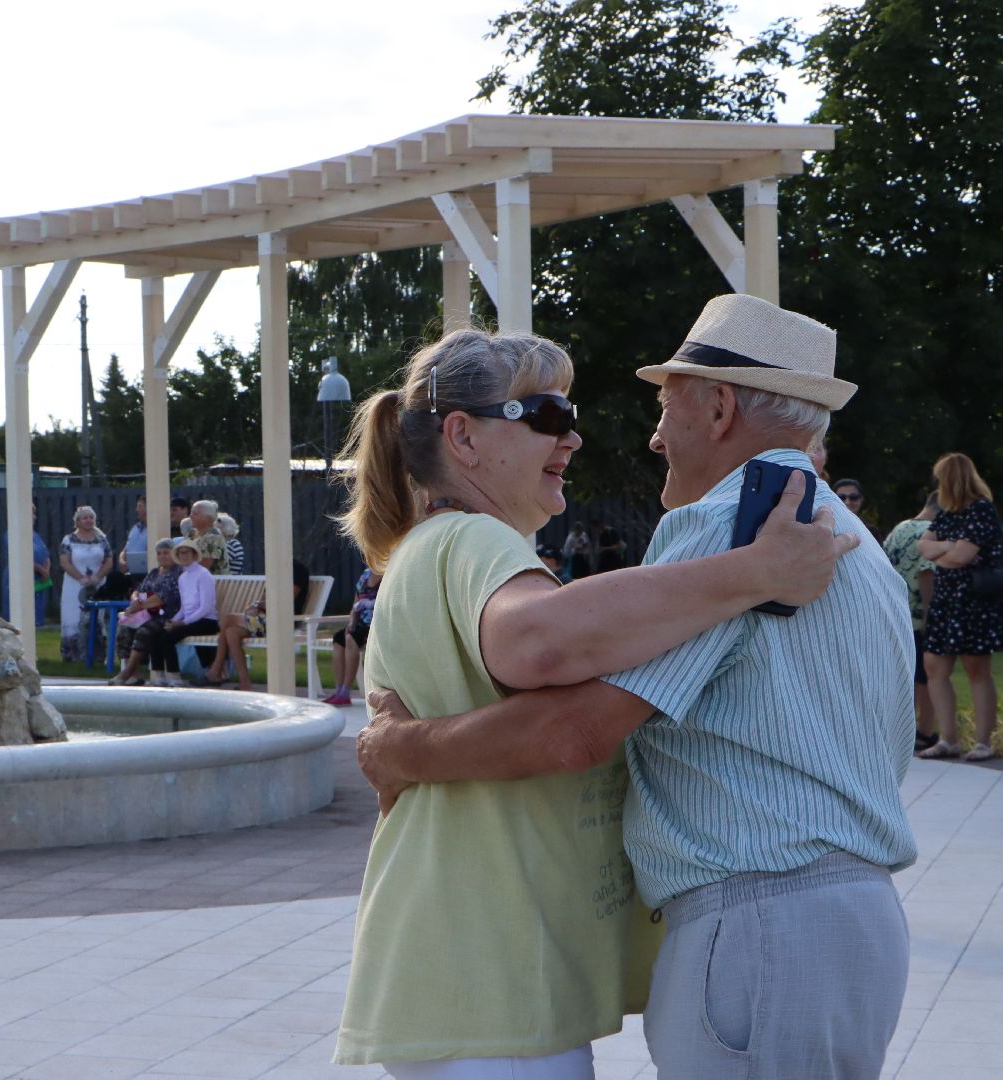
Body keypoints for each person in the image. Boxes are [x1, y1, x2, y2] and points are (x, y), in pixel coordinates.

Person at [352, 297, 914, 1080]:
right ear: (463, 437)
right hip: (851, 921)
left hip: (758, 924)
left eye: (664, 406)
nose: (647, 436)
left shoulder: (745, 529)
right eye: (551, 413)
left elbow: (570, 721)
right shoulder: (844, 542)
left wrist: (401, 749)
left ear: (719, 408)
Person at [917, 452, 1002, 762]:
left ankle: (982, 742)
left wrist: (944, 551)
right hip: (946, 601)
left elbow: (961, 558)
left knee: (976, 668)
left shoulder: (981, 510)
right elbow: (923, 546)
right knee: (934, 666)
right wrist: (949, 548)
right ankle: (949, 739)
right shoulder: (949, 514)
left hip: (974, 602)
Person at [884, 490, 941, 753]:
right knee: (926, 676)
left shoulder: (900, 528)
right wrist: (930, 611)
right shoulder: (930, 531)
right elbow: (926, 572)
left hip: (895, 610)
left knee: (903, 675)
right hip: (918, 614)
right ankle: (925, 731)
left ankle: (900, 731)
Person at [204, 558, 309, 692]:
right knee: (231, 632)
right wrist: (256, 607)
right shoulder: (276, 573)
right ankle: (244, 682)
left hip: (280, 622)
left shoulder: (297, 571)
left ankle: (216, 669)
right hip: (262, 619)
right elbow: (266, 599)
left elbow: (285, 600)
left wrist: (261, 605)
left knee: (228, 619)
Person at [143, 538, 219, 686]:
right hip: (189, 621)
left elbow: (206, 607)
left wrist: (182, 623)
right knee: (156, 632)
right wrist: (172, 621)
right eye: (180, 553)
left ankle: (175, 677)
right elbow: (184, 607)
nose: (184, 556)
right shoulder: (183, 577)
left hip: (207, 621)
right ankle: (159, 676)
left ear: (195, 555)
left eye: (187, 553)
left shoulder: (204, 575)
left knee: (168, 638)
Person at [108, 538, 182, 686]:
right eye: (159, 553)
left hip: (164, 616)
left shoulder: (177, 573)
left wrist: (139, 606)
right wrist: (135, 599)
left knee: (145, 632)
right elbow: (138, 590)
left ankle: (127, 672)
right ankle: (135, 674)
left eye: (166, 553)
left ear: (174, 554)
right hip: (145, 613)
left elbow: (163, 598)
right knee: (125, 628)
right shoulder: (154, 572)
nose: (162, 556)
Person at [58, 505, 111, 662]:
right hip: (74, 584)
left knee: (97, 618)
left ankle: (96, 655)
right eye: (84, 518)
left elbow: (108, 560)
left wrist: (97, 577)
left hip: (98, 584)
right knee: (72, 617)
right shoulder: (69, 540)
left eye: (91, 517)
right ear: (78, 521)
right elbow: (64, 561)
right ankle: (72, 656)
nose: (88, 520)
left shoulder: (101, 539)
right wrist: (80, 577)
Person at [324, 568, 380, 706]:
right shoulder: (365, 576)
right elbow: (355, 604)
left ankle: (345, 691)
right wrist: (351, 622)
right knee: (339, 638)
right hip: (359, 623)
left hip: (375, 625)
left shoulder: (387, 574)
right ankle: (339, 689)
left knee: (351, 638)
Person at [180, 499, 230, 574]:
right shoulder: (193, 534)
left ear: (207, 518)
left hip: (214, 583)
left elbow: (202, 567)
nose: (190, 516)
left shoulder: (213, 537)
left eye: (195, 513)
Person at [833, 478, 882, 542]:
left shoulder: (871, 531)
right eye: (841, 497)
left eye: (853, 497)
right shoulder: (825, 528)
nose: (847, 502)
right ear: (833, 500)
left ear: (861, 499)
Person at [118, 495, 149, 575]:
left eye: (139, 506)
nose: (136, 510)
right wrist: (122, 561)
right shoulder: (134, 529)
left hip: (145, 573)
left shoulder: (154, 529)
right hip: (130, 572)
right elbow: (125, 549)